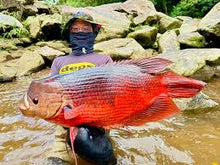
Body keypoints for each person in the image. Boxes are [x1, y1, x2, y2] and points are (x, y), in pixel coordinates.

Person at [46, 11, 116, 165]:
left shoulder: (104, 59)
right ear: (68, 34)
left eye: (86, 29)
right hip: (64, 130)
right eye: (75, 29)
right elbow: (51, 93)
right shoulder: (59, 61)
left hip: (97, 127)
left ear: (93, 33)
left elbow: (113, 91)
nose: (80, 32)